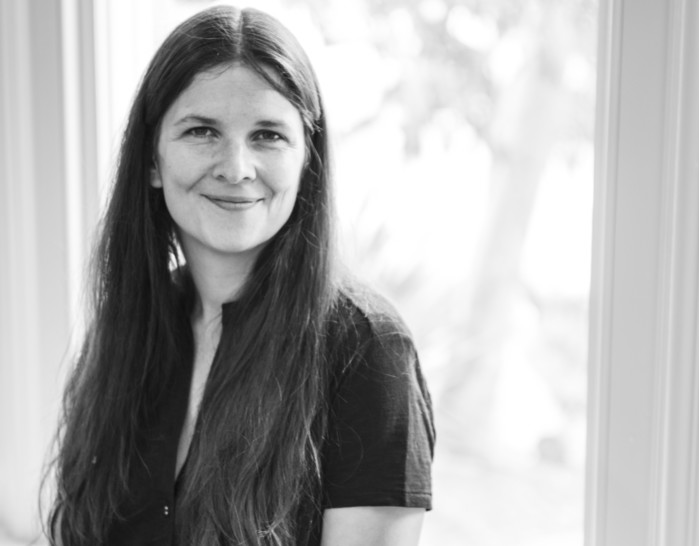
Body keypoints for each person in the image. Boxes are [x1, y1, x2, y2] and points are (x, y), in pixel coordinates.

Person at [46, 5, 434, 546]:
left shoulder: (367, 351)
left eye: (268, 135)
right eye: (202, 131)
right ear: (153, 160)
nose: (236, 167)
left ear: (307, 160)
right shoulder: (130, 328)